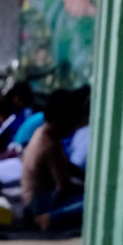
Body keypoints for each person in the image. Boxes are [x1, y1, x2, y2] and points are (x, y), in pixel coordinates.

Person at [21, 91, 84, 229]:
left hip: (30, 199)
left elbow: (68, 166)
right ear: (59, 121)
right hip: (39, 202)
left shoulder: (41, 132)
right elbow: (63, 188)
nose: (73, 129)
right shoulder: (50, 146)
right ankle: (50, 218)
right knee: (89, 203)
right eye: (71, 124)